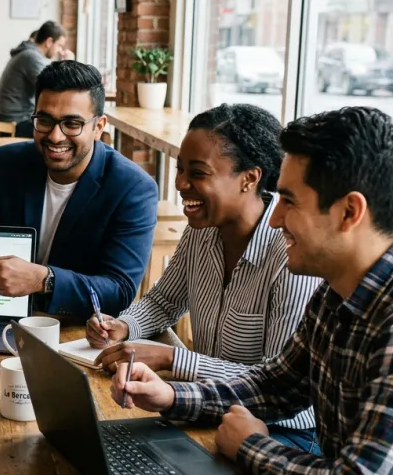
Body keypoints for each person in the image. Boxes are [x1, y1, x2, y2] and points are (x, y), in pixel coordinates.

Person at [111, 106, 393, 473]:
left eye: (289, 202)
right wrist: (170, 396)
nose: (275, 218)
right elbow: (275, 385)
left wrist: (251, 447)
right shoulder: (338, 290)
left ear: (349, 212)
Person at [87, 104, 321, 452]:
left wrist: (171, 358)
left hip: (283, 431)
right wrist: (124, 325)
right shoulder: (203, 229)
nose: (180, 184)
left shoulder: (290, 255)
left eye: (197, 173)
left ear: (249, 178)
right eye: (180, 169)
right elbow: (164, 301)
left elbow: (275, 381)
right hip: (212, 407)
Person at [0, 61, 157, 318]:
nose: (55, 136)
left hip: (74, 328)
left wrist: (46, 279)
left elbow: (119, 291)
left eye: (72, 124)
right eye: (45, 120)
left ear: (98, 127)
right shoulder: (7, 162)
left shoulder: (132, 188)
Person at [0, 20, 67, 137]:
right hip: (13, 123)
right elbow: (54, 86)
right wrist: (67, 64)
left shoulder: (27, 54)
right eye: (59, 45)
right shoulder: (31, 57)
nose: (60, 50)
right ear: (49, 42)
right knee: (61, 130)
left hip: (8, 118)